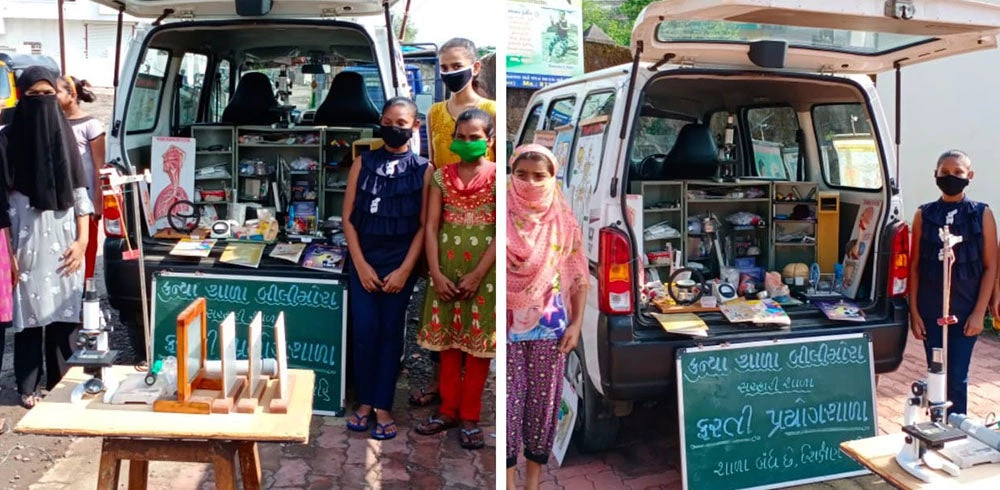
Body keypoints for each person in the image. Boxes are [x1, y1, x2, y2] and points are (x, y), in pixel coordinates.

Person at [411, 37, 497, 408]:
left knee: (476, 321)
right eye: (443, 67)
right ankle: (443, 391)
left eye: (455, 65)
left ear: (475, 67)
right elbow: (430, 159)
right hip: (443, 205)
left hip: (480, 211)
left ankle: (469, 402)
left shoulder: (492, 108)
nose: (449, 73)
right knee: (442, 316)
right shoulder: (434, 113)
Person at [1, 66, 92, 409]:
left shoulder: (64, 136)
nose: (41, 102)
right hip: (23, 241)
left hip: (65, 239)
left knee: (62, 315)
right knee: (28, 320)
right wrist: (7, 253)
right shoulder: (6, 140)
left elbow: (81, 195)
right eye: (33, 95)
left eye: (48, 95)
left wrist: (83, 242)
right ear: (22, 97)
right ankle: (28, 385)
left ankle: (62, 383)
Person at [342, 96, 431, 440]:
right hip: (363, 261)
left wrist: (405, 270)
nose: (394, 128)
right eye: (389, 121)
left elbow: (425, 226)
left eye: (402, 123)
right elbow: (348, 220)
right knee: (364, 332)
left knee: (390, 334)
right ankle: (364, 402)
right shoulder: (362, 163)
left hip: (399, 265)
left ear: (415, 127)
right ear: (380, 121)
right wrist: (361, 265)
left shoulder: (424, 170)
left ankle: (383, 405)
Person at [506, 144, 588, 488]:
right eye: (521, 174)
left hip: (550, 331)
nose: (529, 182)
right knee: (510, 411)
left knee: (542, 410)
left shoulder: (563, 221)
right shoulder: (503, 215)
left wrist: (577, 324)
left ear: (553, 178)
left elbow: (578, 275)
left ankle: (533, 483)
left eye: (540, 176)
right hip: (507, 330)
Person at [414, 109, 496, 449]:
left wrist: (478, 274)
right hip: (444, 272)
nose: (466, 143)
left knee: (477, 350)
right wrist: (435, 272)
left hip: (484, 276)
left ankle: (470, 417)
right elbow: (431, 226)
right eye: (460, 137)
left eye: (474, 137)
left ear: (489, 141)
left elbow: (500, 232)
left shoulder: (498, 178)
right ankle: (447, 410)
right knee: (447, 345)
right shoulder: (440, 177)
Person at [910, 149, 996, 416]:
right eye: (945, 173)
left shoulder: (981, 213)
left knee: (957, 374)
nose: (951, 177)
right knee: (936, 370)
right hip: (931, 306)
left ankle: (956, 430)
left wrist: (979, 312)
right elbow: (914, 266)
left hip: (965, 306)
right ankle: (937, 423)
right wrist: (914, 312)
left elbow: (991, 265)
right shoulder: (924, 214)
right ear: (935, 175)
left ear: (969, 176)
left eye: (957, 172)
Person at [56, 75, 105, 280]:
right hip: (61, 200)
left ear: (72, 94)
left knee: (87, 249)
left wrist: (98, 203)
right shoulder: (54, 123)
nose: (52, 97)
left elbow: (98, 167)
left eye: (57, 92)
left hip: (86, 200)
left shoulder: (91, 125)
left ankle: (87, 296)